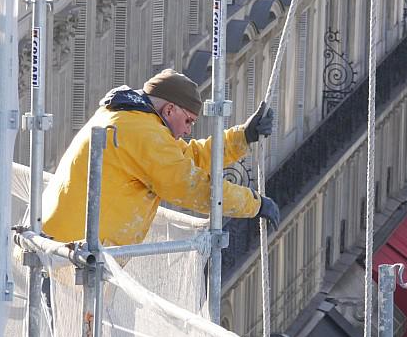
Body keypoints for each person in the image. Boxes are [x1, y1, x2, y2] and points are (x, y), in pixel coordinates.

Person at [42, 69, 281, 247]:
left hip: (64, 245)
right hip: (69, 258)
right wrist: (255, 204)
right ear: (169, 110)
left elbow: (185, 158)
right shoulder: (144, 134)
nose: (188, 130)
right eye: (188, 121)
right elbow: (192, 187)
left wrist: (243, 137)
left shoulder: (130, 119)